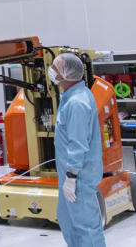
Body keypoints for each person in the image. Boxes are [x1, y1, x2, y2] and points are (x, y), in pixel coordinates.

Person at [49, 53, 105, 247]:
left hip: (78, 176)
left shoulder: (77, 103)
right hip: (69, 175)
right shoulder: (70, 97)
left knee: (86, 227)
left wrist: (72, 177)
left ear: (66, 74)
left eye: (55, 68)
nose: (51, 72)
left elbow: (78, 143)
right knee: (67, 221)